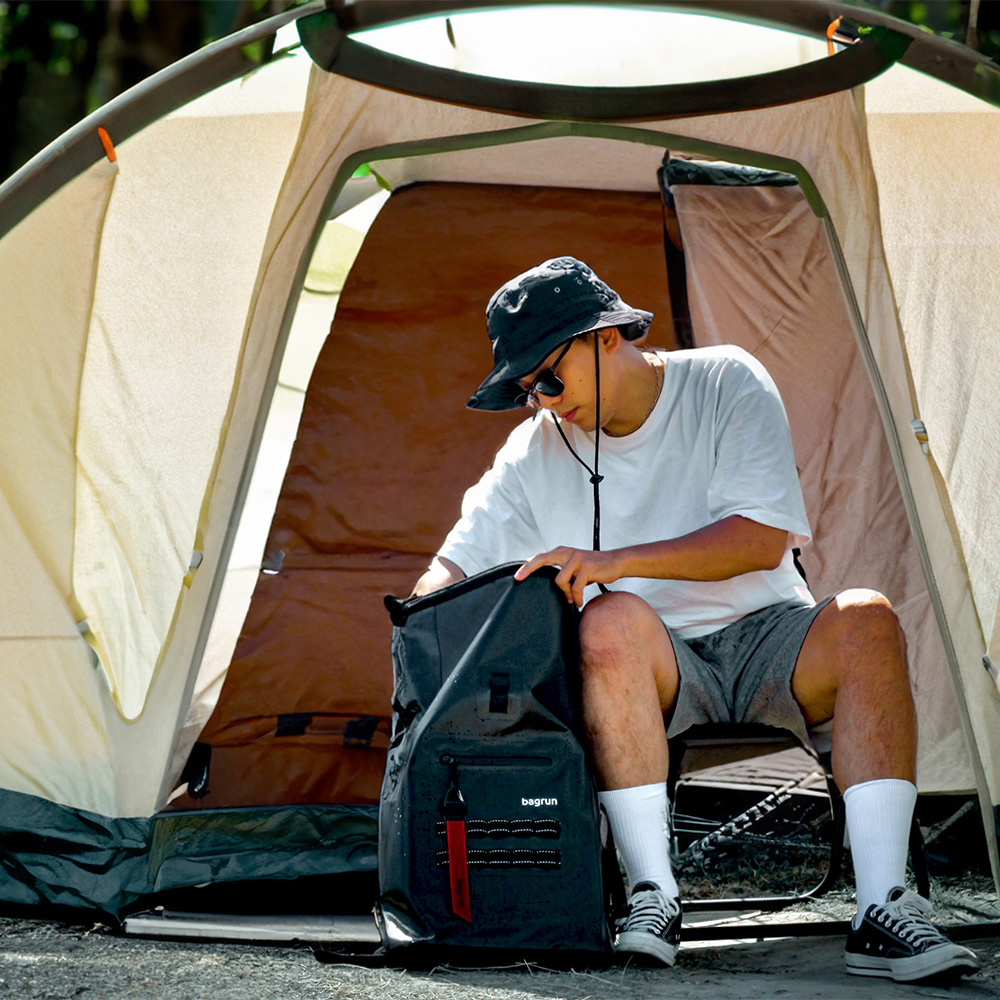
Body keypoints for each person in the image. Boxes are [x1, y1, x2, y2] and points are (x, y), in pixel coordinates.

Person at [411, 256, 979, 982]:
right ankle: (652, 895)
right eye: (527, 391)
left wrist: (611, 557)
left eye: (550, 378)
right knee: (607, 621)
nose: (545, 401)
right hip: (650, 664)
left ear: (606, 337)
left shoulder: (724, 381)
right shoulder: (536, 449)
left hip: (770, 633)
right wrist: (419, 624)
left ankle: (883, 909)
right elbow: (452, 567)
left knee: (869, 617)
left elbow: (760, 539)